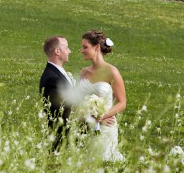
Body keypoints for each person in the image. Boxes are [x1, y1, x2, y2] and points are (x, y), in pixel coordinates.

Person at [79, 30, 126, 161]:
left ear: (97, 47)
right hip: (85, 126)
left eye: (85, 47)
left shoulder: (112, 72)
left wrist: (101, 117)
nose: (82, 51)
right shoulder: (83, 73)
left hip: (106, 127)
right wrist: (88, 117)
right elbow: (77, 101)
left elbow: (122, 103)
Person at [39, 35, 76, 152]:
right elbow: (64, 110)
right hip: (61, 140)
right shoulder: (52, 78)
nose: (69, 51)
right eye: (66, 48)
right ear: (57, 51)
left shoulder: (58, 73)